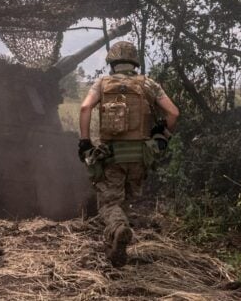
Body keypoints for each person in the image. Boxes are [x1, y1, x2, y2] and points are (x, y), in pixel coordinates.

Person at [77, 41, 179, 267]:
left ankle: (117, 229)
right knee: (126, 201)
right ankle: (116, 246)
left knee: (108, 204)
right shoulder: (149, 84)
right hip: (140, 156)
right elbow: (173, 113)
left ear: (112, 63)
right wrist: (161, 138)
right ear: (134, 62)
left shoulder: (102, 83)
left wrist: (85, 142)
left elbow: (84, 108)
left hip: (112, 156)